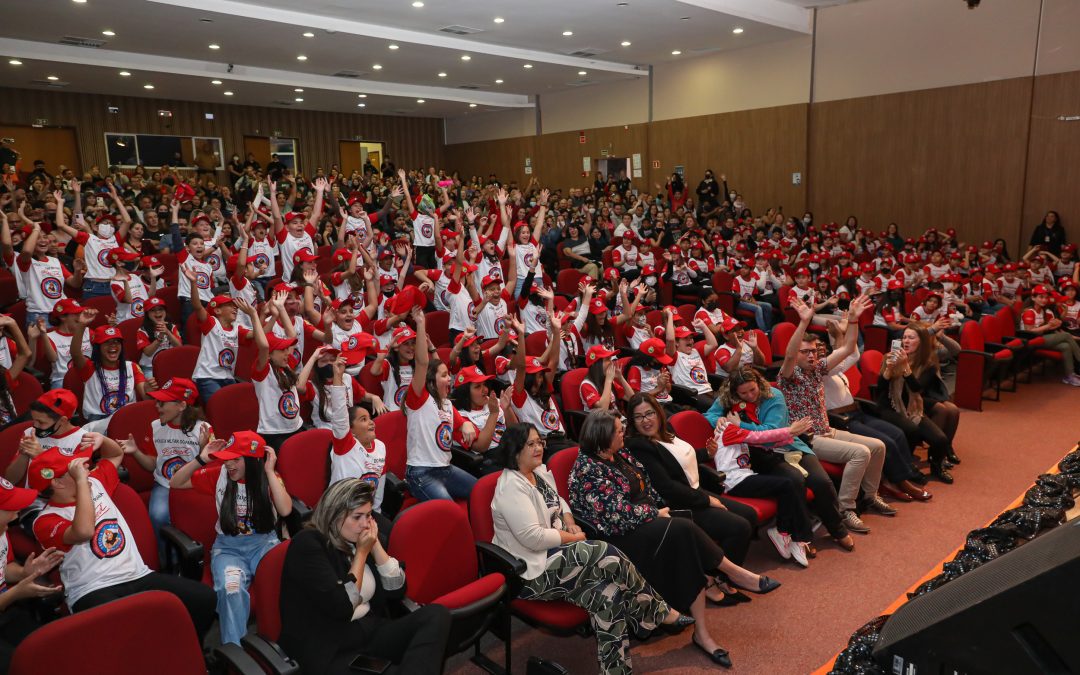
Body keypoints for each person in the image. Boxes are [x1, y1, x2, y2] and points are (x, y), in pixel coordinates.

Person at [491, 423, 694, 674]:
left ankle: (616, 670)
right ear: (514, 451)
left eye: (539, 442)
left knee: (608, 595)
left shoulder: (537, 472)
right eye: (530, 444)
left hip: (556, 558)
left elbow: (559, 501)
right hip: (530, 571)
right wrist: (572, 537)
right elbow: (533, 538)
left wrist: (569, 520)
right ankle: (655, 610)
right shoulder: (511, 487)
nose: (539, 448)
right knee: (602, 551)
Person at [569, 410, 738, 668]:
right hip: (618, 536)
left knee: (684, 538)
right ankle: (730, 572)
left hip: (644, 520)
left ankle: (702, 632)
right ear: (603, 436)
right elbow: (616, 515)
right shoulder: (587, 469)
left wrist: (660, 508)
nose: (624, 433)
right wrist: (654, 513)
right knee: (682, 530)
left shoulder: (620, 453)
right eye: (618, 430)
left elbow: (645, 486)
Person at [30, 431, 215, 639]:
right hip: (93, 589)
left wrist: (103, 440)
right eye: (76, 468)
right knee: (129, 635)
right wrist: (82, 483)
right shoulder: (45, 520)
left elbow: (115, 454)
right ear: (57, 483)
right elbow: (84, 531)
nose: (86, 468)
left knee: (203, 599)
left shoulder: (95, 483)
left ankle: (184, 648)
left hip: (137, 575)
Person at [279, 479, 450, 675]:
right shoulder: (308, 544)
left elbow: (397, 590)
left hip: (369, 631)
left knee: (436, 615)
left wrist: (375, 547)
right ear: (333, 515)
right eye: (357, 516)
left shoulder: (361, 539)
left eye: (368, 515)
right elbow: (342, 605)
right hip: (329, 646)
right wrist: (360, 554)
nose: (364, 524)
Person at [623, 394, 781, 599]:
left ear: (658, 413)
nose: (646, 420)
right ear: (632, 421)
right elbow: (667, 487)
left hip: (694, 491)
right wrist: (707, 500)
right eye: (639, 417)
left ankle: (717, 576)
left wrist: (706, 454)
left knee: (749, 515)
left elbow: (677, 460)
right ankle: (719, 577)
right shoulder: (639, 446)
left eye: (649, 413)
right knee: (739, 527)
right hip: (678, 502)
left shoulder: (666, 430)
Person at [705, 367, 856, 554]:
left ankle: (838, 530)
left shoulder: (774, 395)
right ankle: (800, 537)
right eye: (743, 393)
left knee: (821, 481)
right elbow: (709, 415)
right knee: (794, 480)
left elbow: (771, 433)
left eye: (752, 390)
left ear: (759, 383)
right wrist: (720, 420)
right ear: (735, 392)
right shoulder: (729, 396)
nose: (749, 395)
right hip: (759, 454)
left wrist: (739, 425)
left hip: (788, 445)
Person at [170, 430, 296, 645]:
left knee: (283, 583)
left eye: (236, 459)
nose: (229, 464)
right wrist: (201, 458)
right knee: (231, 590)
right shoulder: (219, 475)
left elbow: (285, 510)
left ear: (253, 460)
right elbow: (176, 482)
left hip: (264, 544)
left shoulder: (268, 477)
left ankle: (282, 645)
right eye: (227, 458)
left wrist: (269, 471)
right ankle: (235, 652)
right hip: (229, 548)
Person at [779, 297, 891, 534]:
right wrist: (803, 323)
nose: (811, 355)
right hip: (807, 439)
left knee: (878, 446)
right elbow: (788, 356)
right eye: (805, 352)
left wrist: (853, 320)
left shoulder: (817, 368)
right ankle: (845, 509)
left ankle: (870, 496)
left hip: (827, 430)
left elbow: (849, 348)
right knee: (860, 453)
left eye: (813, 351)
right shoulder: (788, 376)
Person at [119, 377, 211, 544]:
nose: (157, 406)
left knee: (196, 519)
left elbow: (211, 469)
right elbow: (152, 465)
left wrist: (204, 447)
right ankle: (165, 557)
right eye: (157, 401)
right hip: (164, 484)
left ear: (182, 406)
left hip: (192, 483)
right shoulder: (156, 427)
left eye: (162, 402)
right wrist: (136, 452)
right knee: (157, 516)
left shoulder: (203, 429)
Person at [402, 308, 479, 502]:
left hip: (447, 469)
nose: (450, 379)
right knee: (449, 512)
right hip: (421, 473)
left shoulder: (446, 404)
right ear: (431, 380)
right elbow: (422, 363)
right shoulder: (418, 399)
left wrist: (466, 424)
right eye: (444, 376)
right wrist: (420, 324)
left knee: (481, 493)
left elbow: (463, 424)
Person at [876, 323, 959, 483]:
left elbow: (917, 388)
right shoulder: (889, 357)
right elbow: (880, 389)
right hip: (889, 406)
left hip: (912, 407)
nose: (906, 341)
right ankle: (906, 467)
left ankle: (937, 466)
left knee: (940, 440)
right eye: (904, 337)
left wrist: (906, 368)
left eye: (911, 338)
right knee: (912, 430)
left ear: (921, 342)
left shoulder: (928, 363)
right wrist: (888, 370)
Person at [0, 479, 64, 671]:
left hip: (7, 610)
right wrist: (17, 593)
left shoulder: (2, 530)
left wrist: (24, 572)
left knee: (50, 650)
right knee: (19, 666)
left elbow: (5, 568)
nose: (16, 514)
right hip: (7, 602)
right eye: (10, 508)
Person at [326, 356, 391, 526]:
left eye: (370, 418)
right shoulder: (345, 446)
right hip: (341, 512)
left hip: (368, 512)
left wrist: (376, 513)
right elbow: (340, 414)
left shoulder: (381, 447)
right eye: (363, 419)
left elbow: (379, 486)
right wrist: (338, 377)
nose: (371, 422)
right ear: (351, 430)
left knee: (391, 533)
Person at [1022, 284, 1080, 386]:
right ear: (1033, 298)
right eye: (1041, 297)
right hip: (1030, 340)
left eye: (1046, 297)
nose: (1044, 300)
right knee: (1066, 336)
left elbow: (1048, 328)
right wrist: (1048, 325)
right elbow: (1029, 332)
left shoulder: (1045, 311)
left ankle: (1069, 376)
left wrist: (1055, 324)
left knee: (1065, 346)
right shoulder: (1029, 312)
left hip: (1042, 338)